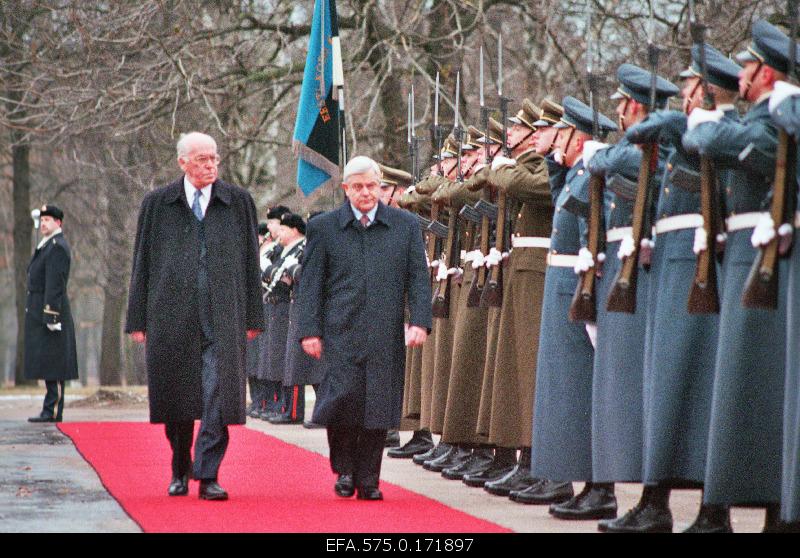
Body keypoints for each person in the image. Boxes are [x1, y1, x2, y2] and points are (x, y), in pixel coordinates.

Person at [607, 44, 741, 534]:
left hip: (696, 264)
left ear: (705, 92)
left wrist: (658, 118)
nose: (681, 97)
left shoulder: (711, 129)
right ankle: (654, 499)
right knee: (663, 388)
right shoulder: (688, 128)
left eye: (688, 88)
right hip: (672, 260)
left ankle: (711, 508)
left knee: (698, 387)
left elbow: (645, 132)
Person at [682, 19, 793, 532]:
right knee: (744, 389)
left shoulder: (775, 118)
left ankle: (775, 509)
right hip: (748, 257)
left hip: (768, 258)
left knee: (761, 388)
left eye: (748, 66)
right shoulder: (766, 117)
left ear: (765, 74)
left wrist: (706, 122)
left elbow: (734, 141)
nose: (741, 74)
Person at [125, 131, 263, 500]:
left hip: (223, 315)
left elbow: (252, 261)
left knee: (218, 392)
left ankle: (208, 473)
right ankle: (180, 466)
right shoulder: (158, 204)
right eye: (202, 159)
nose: (210, 165)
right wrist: (136, 319)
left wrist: (254, 316)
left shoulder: (237, 202)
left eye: (214, 158)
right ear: (182, 162)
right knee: (177, 397)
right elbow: (143, 263)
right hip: (170, 316)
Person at [296, 155, 431, 500]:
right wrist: (309, 330)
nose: (367, 193)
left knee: (377, 406)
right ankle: (344, 470)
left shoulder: (404, 226)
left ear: (382, 187)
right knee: (342, 402)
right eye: (358, 187)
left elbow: (418, 278)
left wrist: (419, 322)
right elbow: (310, 285)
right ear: (346, 189)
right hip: (339, 331)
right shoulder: (324, 228)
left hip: (385, 332)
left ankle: (369, 478)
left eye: (373, 186)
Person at [526, 97, 616, 505]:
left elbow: (589, 224)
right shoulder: (576, 172)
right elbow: (560, 195)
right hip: (561, 280)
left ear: (578, 138)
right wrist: (554, 161)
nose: (553, 139)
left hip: (576, 283)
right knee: (563, 389)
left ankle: (600, 487)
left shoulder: (591, 172)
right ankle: (570, 477)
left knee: (580, 388)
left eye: (561, 132)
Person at [379, 164, 435, 456]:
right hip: (393, 302)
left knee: (417, 369)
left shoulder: (411, 222)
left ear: (399, 192)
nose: (378, 194)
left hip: (412, 304)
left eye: (385, 190)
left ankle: (420, 430)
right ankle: (396, 425)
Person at [25, 205, 78, 423]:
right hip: (41, 311)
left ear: (59, 223)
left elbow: (55, 283)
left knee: (55, 363)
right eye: (43, 219)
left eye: (49, 219)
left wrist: (52, 315)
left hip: (51, 312)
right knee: (48, 361)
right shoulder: (47, 245)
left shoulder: (57, 246)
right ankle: (48, 408)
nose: (44, 223)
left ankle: (53, 410)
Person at [269, 212, 307, 425]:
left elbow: (301, 275)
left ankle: (293, 411)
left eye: (283, 228)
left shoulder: (302, 248)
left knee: (296, 364)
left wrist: (291, 269)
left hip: (293, 306)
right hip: (286, 306)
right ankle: (287, 408)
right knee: (286, 362)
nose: (279, 232)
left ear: (294, 230)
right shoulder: (285, 250)